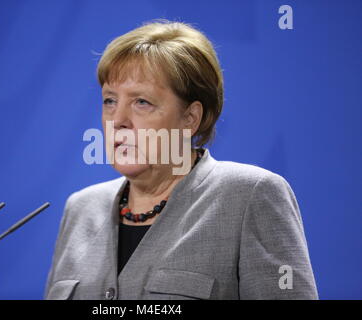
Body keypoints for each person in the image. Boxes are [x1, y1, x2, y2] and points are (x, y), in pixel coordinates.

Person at [45, 20, 318, 300]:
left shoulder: (250, 196)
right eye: (110, 101)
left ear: (190, 118)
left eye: (141, 102)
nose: (118, 121)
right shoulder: (80, 208)